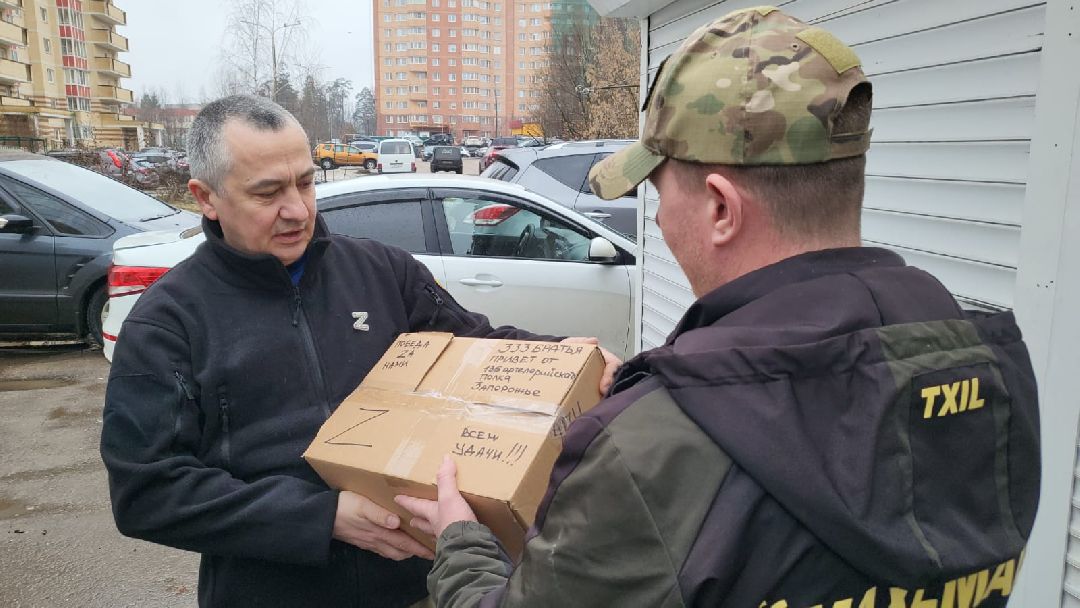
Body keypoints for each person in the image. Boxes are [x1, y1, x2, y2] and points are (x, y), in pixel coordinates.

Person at [396, 7, 1041, 607]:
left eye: (655, 187)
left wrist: (461, 545)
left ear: (721, 208)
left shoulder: (646, 453)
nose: (655, 211)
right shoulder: (993, 374)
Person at [99, 95, 617, 607]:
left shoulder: (381, 271)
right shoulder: (167, 322)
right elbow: (148, 492)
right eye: (267, 193)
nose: (296, 210)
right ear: (206, 197)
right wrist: (320, 518)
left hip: (420, 586)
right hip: (272, 593)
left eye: (305, 182)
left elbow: (472, 342)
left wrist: (564, 357)